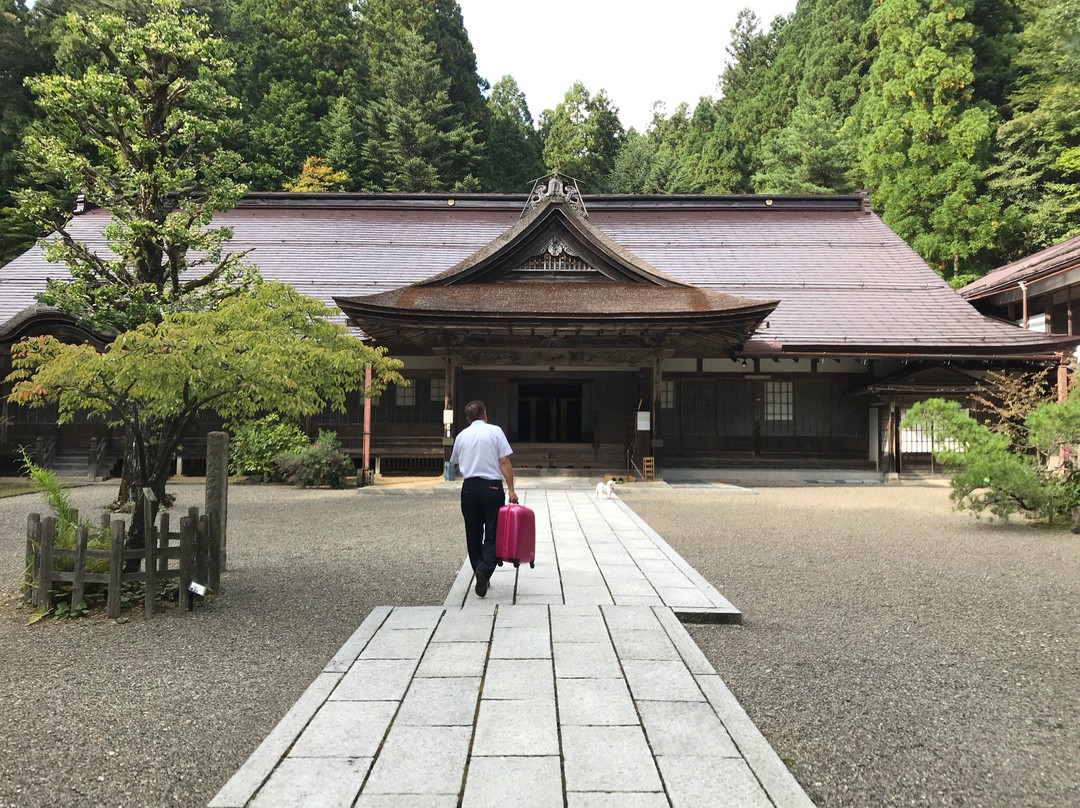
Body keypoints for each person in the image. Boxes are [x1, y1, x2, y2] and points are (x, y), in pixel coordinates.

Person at [449, 400, 518, 597]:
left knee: (473, 532)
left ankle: (479, 568)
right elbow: (504, 460)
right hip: (492, 487)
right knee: (493, 531)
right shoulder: (495, 431)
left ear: (468, 419)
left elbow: (454, 461)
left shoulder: (462, 436)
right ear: (485, 415)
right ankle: (484, 570)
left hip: (470, 487)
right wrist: (511, 490)